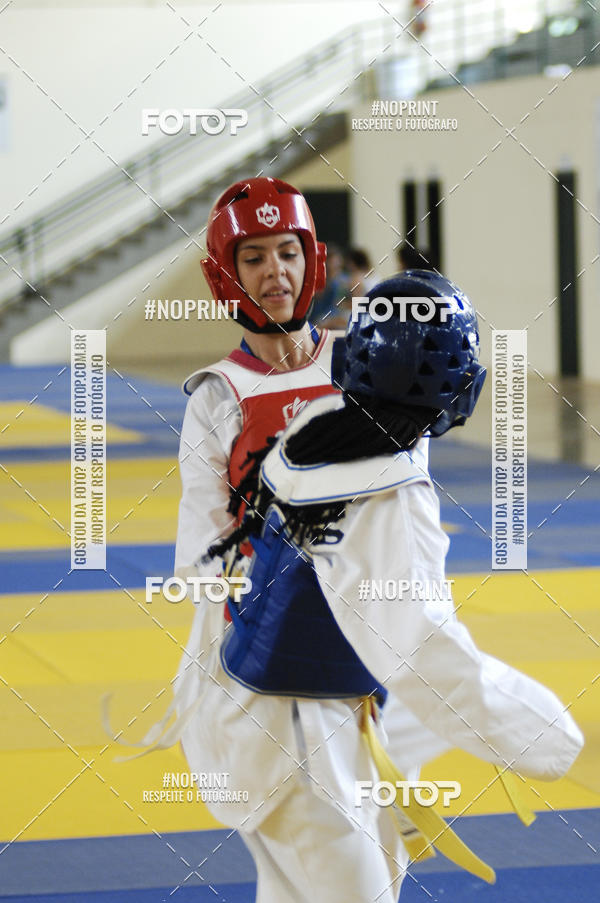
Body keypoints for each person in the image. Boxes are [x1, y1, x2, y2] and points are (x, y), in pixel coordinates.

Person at [197, 270, 583, 901]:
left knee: (336, 877)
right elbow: (421, 652)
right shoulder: (386, 489)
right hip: (300, 741)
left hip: (280, 714)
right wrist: (555, 739)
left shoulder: (320, 429)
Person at [172, 177, 414, 901]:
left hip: (364, 655)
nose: (275, 270)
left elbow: (402, 515)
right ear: (227, 273)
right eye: (254, 257)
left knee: (370, 860)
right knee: (346, 878)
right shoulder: (217, 396)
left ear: (312, 258)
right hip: (272, 673)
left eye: (287, 251)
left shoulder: (360, 367)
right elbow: (204, 562)